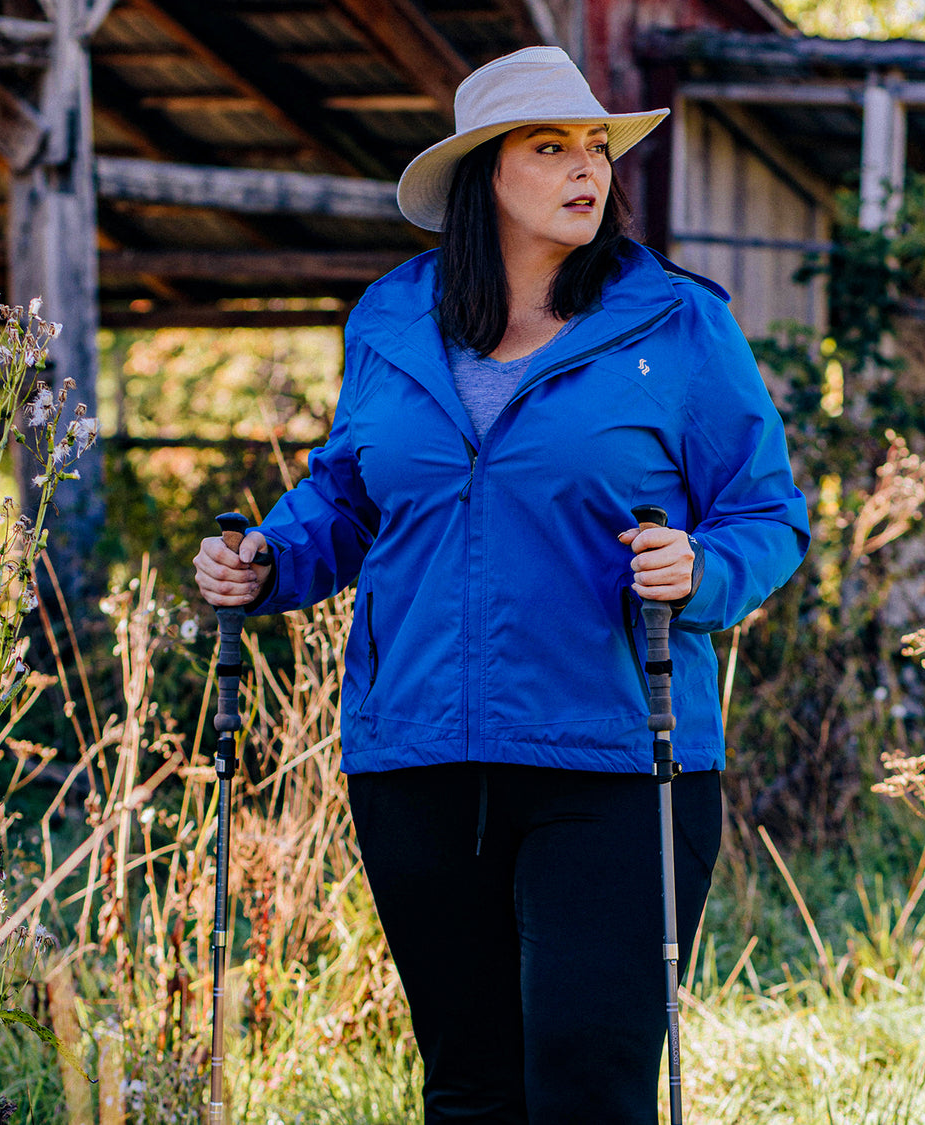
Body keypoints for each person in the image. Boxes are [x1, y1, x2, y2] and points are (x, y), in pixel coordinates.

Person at [193, 45, 809, 1125]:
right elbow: (348, 496)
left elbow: (768, 516)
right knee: (470, 1086)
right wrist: (267, 559)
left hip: (618, 754)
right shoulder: (390, 321)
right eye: (550, 146)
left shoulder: (679, 325)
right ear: (484, 172)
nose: (587, 168)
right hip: (419, 753)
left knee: (588, 1085)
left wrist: (702, 570)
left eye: (596, 148)